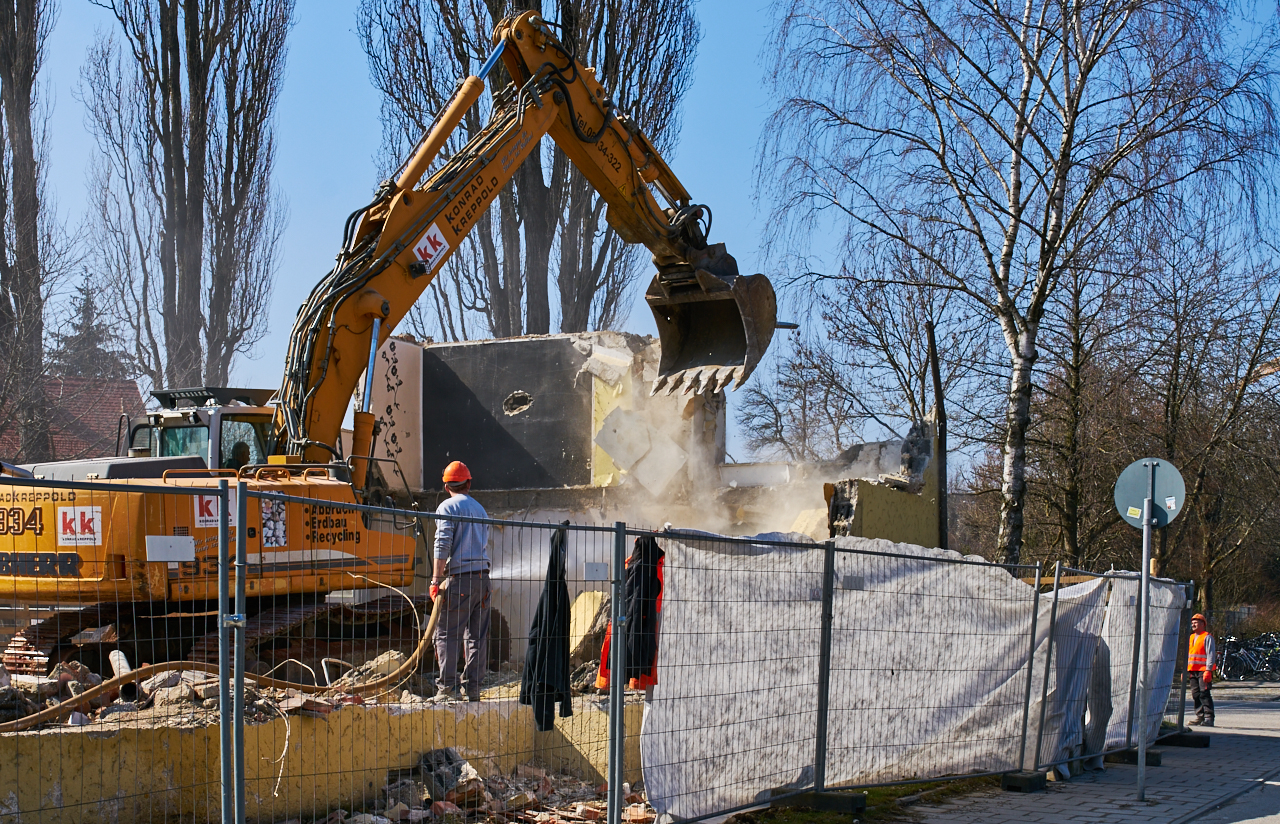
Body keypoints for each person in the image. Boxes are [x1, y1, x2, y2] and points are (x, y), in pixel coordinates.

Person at [431, 460, 491, 702]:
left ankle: (447, 689)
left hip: (461, 581)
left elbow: (443, 542)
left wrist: (436, 579)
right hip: (483, 580)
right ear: (468, 483)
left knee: (447, 633)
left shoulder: (446, 507)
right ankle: (474, 688)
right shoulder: (480, 510)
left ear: (447, 487)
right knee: (477, 636)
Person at [1187, 613, 1215, 727]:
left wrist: (1208, 670)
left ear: (1203, 624)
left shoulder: (1207, 637)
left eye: (1196, 622)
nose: (1193, 624)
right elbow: (1188, 655)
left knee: (1204, 693)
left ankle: (1209, 717)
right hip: (1193, 670)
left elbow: (1211, 654)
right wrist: (1186, 671)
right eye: (1192, 622)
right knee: (1196, 694)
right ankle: (1200, 716)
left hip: (1203, 671)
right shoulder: (1191, 637)